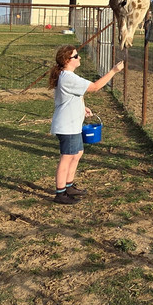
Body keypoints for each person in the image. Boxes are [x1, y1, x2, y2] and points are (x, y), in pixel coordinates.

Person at [47, 45, 125, 205]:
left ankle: (69, 186)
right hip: (66, 125)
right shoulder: (68, 77)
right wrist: (113, 71)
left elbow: (74, 95)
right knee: (67, 157)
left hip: (73, 124)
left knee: (77, 153)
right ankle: (60, 193)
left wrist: (83, 107)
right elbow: (95, 87)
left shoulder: (69, 76)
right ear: (67, 60)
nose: (79, 57)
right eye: (76, 56)